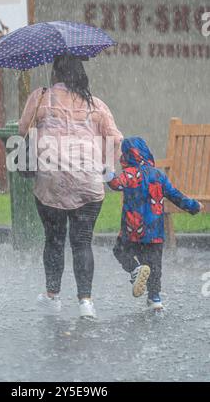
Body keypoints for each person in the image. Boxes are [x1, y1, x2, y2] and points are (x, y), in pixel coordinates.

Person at [19, 55, 123, 318]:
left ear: (55, 73)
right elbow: (115, 138)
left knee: (54, 239)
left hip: (50, 181)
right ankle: (86, 302)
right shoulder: (96, 104)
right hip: (88, 182)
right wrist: (104, 168)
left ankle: (53, 296)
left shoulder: (41, 96)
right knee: (82, 242)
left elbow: (22, 130)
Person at [107, 137, 203, 310]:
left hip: (132, 230)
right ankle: (155, 299)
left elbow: (115, 184)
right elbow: (175, 195)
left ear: (126, 155)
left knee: (120, 251)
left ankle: (135, 269)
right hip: (154, 232)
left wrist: (105, 171)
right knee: (154, 264)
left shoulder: (129, 174)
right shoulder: (158, 175)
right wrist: (194, 206)